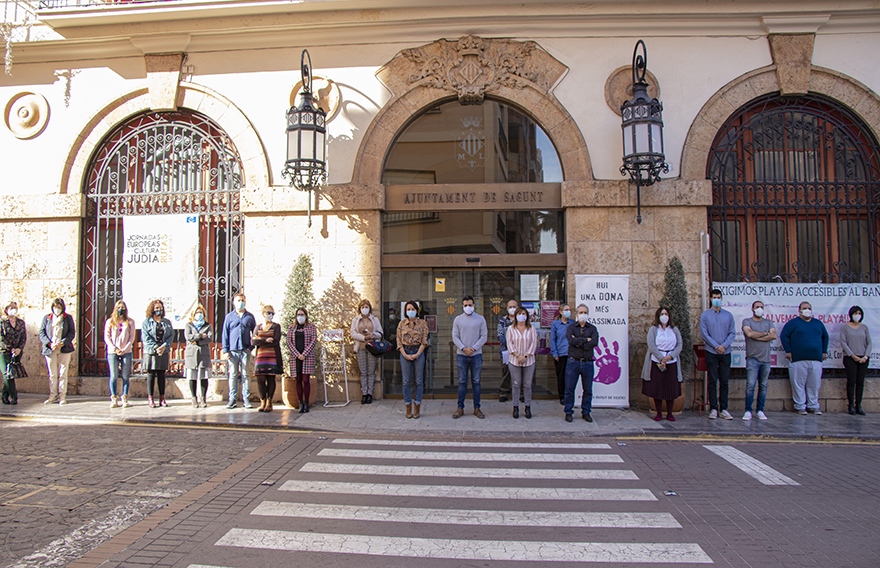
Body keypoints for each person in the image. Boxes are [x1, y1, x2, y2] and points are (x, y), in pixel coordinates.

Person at [780, 301, 829, 415]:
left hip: (816, 359)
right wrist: (788, 351)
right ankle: (800, 405)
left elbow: (825, 336)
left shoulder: (818, 323)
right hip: (798, 359)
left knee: (814, 384)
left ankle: (813, 405)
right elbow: (784, 336)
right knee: (798, 384)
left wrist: (824, 351)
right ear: (800, 310)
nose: (807, 310)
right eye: (804, 308)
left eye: (809, 308)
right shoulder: (793, 323)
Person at [640, 307, 683, 421]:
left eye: (666, 314)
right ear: (658, 316)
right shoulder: (653, 329)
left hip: (671, 361)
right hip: (656, 361)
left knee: (671, 387)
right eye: (662, 314)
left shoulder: (674, 329)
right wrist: (661, 359)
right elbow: (651, 345)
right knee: (657, 387)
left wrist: (670, 357)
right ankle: (658, 412)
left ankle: (669, 413)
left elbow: (679, 344)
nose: (664, 316)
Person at [699, 289, 736, 420]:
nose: (717, 299)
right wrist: (716, 346)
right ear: (710, 299)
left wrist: (723, 346)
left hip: (726, 352)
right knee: (712, 380)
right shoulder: (705, 316)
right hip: (711, 352)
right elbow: (705, 334)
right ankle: (713, 408)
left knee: (724, 381)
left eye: (719, 297)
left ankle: (724, 408)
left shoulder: (728, 315)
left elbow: (732, 333)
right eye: (715, 297)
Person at [452, 295, 488, 420]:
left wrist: (473, 349)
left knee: (476, 382)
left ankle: (477, 408)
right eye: (466, 305)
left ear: (474, 305)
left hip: (476, 355)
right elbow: (455, 337)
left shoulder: (480, 319)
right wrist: (464, 348)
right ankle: (460, 408)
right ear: (462, 306)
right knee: (462, 382)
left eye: (470, 305)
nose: (468, 307)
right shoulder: (457, 319)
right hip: (461, 355)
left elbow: (484, 336)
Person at [741, 300, 776, 420]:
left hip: (766, 360)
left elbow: (774, 335)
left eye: (761, 307)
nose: (759, 309)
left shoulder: (768, 322)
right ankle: (748, 410)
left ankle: (760, 410)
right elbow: (749, 334)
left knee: (763, 385)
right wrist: (765, 335)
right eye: (757, 307)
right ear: (752, 309)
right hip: (753, 359)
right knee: (750, 385)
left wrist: (759, 336)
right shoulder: (747, 321)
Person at [564, 304, 599, 423]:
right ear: (576, 314)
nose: (582, 315)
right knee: (569, 388)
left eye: (585, 312)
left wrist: (579, 342)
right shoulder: (571, 327)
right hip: (573, 361)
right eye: (580, 312)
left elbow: (594, 342)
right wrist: (585, 340)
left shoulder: (592, 328)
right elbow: (571, 340)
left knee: (588, 389)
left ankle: (586, 412)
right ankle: (568, 411)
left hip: (588, 362)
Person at [221, 292, 256, 409]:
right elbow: (225, 334)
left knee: (246, 375)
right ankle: (232, 399)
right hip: (233, 351)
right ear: (234, 302)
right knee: (233, 375)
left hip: (245, 350)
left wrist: (251, 348)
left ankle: (246, 398)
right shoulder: (229, 317)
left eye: (242, 300)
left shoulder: (250, 316)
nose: (241, 302)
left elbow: (255, 334)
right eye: (238, 300)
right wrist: (225, 350)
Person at [39, 298, 75, 405]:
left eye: (59, 307)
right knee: (52, 374)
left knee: (63, 373)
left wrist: (63, 342)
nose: (57, 309)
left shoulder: (67, 318)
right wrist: (49, 343)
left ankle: (62, 395)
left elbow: (71, 332)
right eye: (55, 307)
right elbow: (42, 332)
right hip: (51, 349)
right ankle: (52, 395)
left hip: (64, 349)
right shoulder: (47, 318)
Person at [396, 300, 428, 419]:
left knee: (419, 381)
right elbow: (398, 342)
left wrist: (417, 354)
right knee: (406, 381)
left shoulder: (422, 323)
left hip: (418, 352)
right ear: (405, 311)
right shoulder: (401, 324)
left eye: (413, 309)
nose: (411, 311)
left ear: (417, 310)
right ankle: (408, 406)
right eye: (408, 309)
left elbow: (424, 341)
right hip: (405, 352)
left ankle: (417, 406)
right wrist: (405, 354)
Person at [839, 305, 871, 415]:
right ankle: (851, 405)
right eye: (855, 313)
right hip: (850, 358)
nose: (857, 315)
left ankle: (859, 405)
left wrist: (865, 356)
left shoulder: (864, 327)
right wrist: (853, 356)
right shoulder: (845, 327)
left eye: (859, 313)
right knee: (851, 381)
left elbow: (869, 342)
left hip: (863, 357)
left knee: (860, 381)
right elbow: (843, 342)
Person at [351, 299, 383, 405]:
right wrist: (363, 338)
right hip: (360, 347)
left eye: (366, 307)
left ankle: (370, 393)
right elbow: (353, 333)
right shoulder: (356, 320)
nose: (364, 309)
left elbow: (380, 333)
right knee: (363, 372)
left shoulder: (374, 319)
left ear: (369, 308)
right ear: (359, 309)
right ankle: (364, 393)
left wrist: (372, 335)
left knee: (371, 371)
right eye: (362, 307)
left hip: (372, 347)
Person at [142, 299, 173, 408]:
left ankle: (162, 398)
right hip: (151, 352)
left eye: (160, 308)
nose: (158, 310)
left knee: (161, 375)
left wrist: (164, 346)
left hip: (163, 351)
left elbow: (171, 336)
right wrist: (156, 347)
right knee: (151, 375)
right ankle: (150, 398)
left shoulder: (166, 322)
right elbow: (145, 338)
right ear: (152, 309)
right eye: (156, 308)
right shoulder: (147, 322)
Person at [506, 306, 536, 419]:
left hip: (529, 361)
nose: (521, 316)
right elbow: (509, 344)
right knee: (516, 384)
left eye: (523, 313)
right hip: (515, 360)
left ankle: (527, 407)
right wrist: (518, 356)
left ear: (527, 315)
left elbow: (534, 343)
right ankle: (515, 407)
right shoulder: (511, 329)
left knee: (527, 385)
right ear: (516, 316)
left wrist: (526, 355)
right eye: (519, 314)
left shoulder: (531, 328)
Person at [104, 300, 135, 408]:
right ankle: (113, 397)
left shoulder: (130, 322)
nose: (120, 309)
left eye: (122, 307)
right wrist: (114, 348)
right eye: (119, 307)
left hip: (126, 351)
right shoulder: (110, 322)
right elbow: (106, 337)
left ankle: (125, 397)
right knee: (113, 375)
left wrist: (125, 348)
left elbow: (132, 338)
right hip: (113, 352)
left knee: (125, 375)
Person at [287, 307, 317, 413]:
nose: (300, 317)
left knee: (306, 380)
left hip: (307, 357)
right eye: (298, 315)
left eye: (302, 314)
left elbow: (313, 340)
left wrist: (304, 354)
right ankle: (300, 403)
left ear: (306, 316)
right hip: (295, 358)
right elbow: (289, 342)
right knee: (298, 380)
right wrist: (297, 354)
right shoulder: (292, 328)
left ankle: (306, 403)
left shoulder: (311, 326)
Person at [252, 305, 282, 413]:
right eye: (269, 313)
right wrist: (265, 340)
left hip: (272, 356)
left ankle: (269, 401)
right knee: (260, 379)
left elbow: (276, 341)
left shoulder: (276, 326)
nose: (271, 315)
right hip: (260, 357)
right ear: (263, 313)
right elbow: (253, 342)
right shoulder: (258, 327)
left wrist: (260, 339)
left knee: (270, 379)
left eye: (272, 313)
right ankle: (262, 401)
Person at [184, 304, 213, 408]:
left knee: (203, 377)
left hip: (203, 353)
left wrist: (196, 341)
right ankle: (193, 398)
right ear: (193, 314)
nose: (199, 315)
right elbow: (188, 337)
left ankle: (203, 398)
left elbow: (209, 338)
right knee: (192, 377)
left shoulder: (207, 326)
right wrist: (200, 336)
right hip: (191, 354)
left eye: (201, 313)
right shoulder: (189, 325)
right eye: (197, 313)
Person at [0, 302, 26, 405]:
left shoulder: (20, 322)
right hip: (4, 352)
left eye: (15, 307)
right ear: (6, 309)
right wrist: (11, 348)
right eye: (11, 308)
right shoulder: (2, 322)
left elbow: (23, 337)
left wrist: (19, 349)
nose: (13, 309)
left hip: (17, 352)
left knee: (11, 374)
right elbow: (1, 338)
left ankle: (4, 395)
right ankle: (14, 396)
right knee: (7, 374)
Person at [550, 303, 572, 405]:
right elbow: (552, 339)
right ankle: (562, 396)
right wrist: (555, 353)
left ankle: (570, 395)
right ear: (561, 311)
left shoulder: (572, 323)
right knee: (561, 376)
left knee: (571, 376)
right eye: (566, 309)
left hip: (572, 354)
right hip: (560, 354)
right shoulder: (556, 324)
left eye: (569, 309)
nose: (568, 311)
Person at [497, 299, 518, 402]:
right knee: (506, 373)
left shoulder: (521, 320)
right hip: (506, 351)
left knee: (519, 373)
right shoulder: (503, 321)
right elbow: (499, 334)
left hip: (519, 352)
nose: (512, 309)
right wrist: (508, 343)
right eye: (510, 307)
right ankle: (504, 393)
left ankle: (521, 393)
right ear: (507, 308)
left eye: (514, 307)